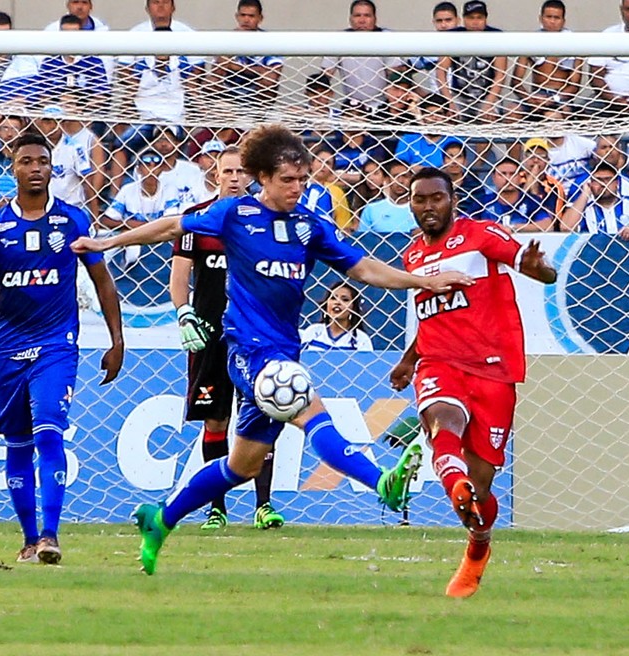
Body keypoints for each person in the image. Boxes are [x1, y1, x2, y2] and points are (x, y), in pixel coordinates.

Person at [71, 124, 468, 576]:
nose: (298, 188)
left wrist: (421, 281)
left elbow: (363, 269)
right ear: (263, 177)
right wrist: (106, 241)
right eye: (288, 181)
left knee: (240, 466)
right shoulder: (233, 215)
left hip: (284, 349)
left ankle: (160, 520)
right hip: (246, 349)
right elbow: (170, 227)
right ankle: (383, 484)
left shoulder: (309, 226)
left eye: (303, 180)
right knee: (308, 406)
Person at [0, 131, 124, 566]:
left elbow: (102, 282)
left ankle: (51, 535)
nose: (35, 168)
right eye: (26, 161)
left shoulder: (74, 221)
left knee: (48, 432)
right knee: (17, 444)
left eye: (43, 161)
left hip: (57, 345)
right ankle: (29, 538)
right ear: (13, 168)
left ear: (52, 168)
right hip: (7, 347)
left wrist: (118, 340)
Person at [389, 166, 556, 597]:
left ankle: (478, 547)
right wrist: (410, 360)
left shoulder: (481, 235)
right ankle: (453, 481)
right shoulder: (412, 257)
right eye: (420, 199)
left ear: (452, 200)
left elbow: (530, 264)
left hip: (494, 369)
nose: (428, 207)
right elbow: (431, 315)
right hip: (440, 362)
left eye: (436, 198)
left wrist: (540, 269)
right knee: (442, 421)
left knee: (480, 491)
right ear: (410, 204)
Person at [169, 147, 284, 530]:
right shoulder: (197, 220)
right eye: (227, 171)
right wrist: (184, 312)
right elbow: (180, 273)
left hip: (254, 337)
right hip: (209, 334)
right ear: (214, 175)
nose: (234, 177)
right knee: (216, 420)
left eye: (240, 171)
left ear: (250, 176)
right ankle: (216, 509)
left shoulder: (265, 220)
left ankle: (263, 506)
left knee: (264, 413)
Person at [300, 281, 374, 351]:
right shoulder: (313, 331)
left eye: (345, 299)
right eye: (333, 298)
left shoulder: (361, 339)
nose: (337, 302)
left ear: (353, 307)